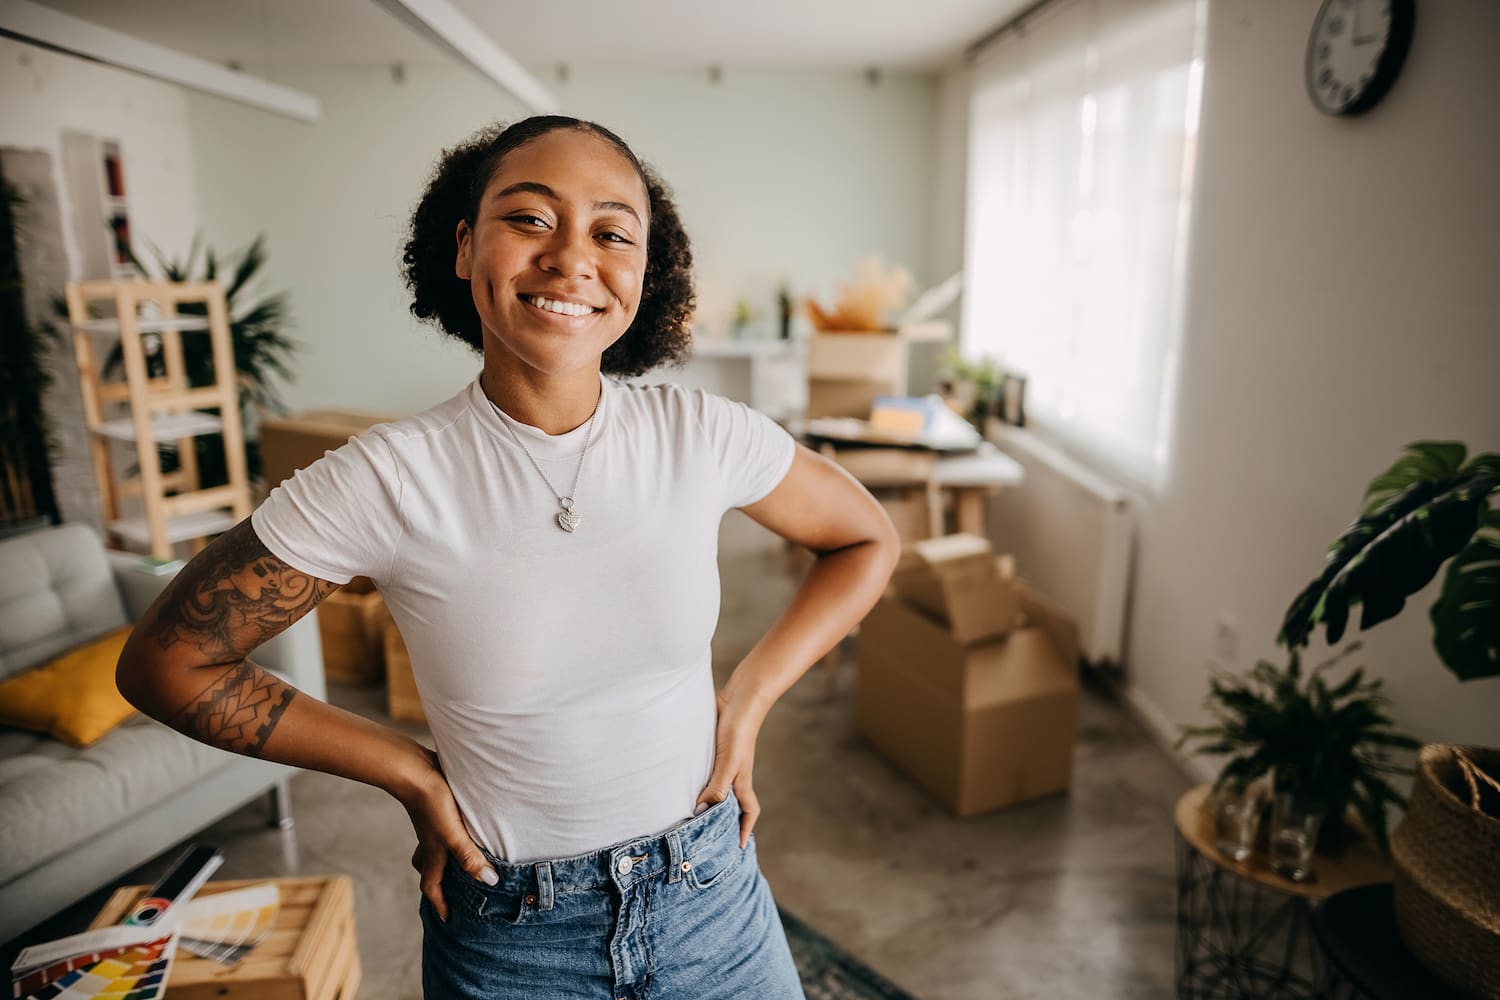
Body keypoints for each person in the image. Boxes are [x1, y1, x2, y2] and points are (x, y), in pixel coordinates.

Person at [117, 115, 900, 999]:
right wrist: (408, 771)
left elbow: (865, 538)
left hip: (712, 899)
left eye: (612, 233)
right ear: (463, 247)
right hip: (512, 938)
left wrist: (748, 699)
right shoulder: (385, 478)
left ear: (646, 271)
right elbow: (167, 663)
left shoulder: (702, 434)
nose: (571, 258)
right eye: (530, 218)